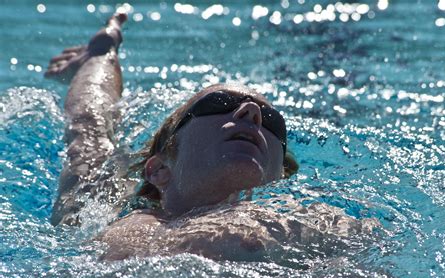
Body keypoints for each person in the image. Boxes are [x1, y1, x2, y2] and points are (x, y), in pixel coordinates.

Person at [46, 12, 378, 261]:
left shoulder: (320, 226)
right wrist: (101, 55)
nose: (252, 114)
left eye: (273, 123)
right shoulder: (99, 213)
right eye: (219, 104)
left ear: (279, 175)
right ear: (159, 168)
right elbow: (88, 128)